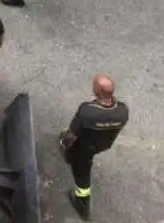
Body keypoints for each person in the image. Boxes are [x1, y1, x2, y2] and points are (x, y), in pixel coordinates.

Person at [60, 75, 129, 220]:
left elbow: (71, 136)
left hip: (84, 149)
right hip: (102, 145)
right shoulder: (122, 111)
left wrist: (65, 145)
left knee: (82, 173)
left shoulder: (87, 112)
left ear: (97, 91)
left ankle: (82, 203)